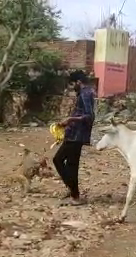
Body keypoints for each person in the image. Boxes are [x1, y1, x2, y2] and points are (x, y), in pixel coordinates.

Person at [52, 70, 95, 205]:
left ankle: (74, 193)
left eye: (72, 84)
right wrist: (67, 123)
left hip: (77, 135)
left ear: (78, 82)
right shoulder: (85, 93)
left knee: (58, 160)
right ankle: (73, 193)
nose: (71, 88)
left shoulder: (85, 94)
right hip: (74, 134)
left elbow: (89, 116)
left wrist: (70, 119)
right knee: (71, 164)